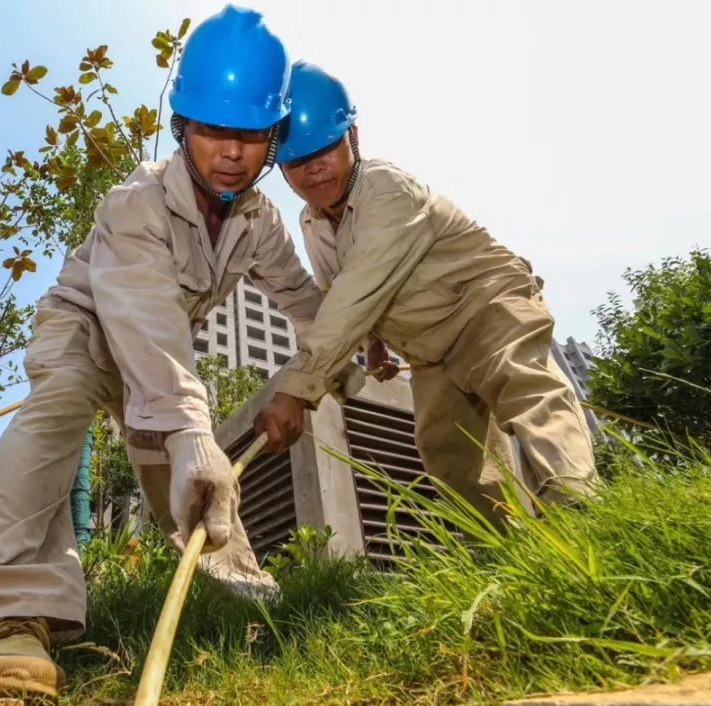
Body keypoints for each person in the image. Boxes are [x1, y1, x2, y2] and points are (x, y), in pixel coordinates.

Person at [0, 8, 338, 699]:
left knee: (190, 484)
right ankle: (2, 616)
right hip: (86, 327)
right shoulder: (134, 202)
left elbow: (301, 298)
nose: (231, 152)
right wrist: (189, 426)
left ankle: (243, 607)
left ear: (274, 136)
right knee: (57, 410)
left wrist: (350, 346)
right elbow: (142, 314)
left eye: (251, 134)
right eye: (212, 129)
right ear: (182, 124)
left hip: (157, 356)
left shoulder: (259, 223)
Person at [254, 61, 598, 524]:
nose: (314, 169)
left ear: (353, 136)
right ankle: (504, 561)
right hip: (431, 351)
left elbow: (353, 297)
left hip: (486, 304)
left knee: (524, 385)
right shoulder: (312, 225)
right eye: (297, 161)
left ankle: (580, 514)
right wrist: (374, 344)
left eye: (326, 149)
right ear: (281, 168)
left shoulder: (387, 189)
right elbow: (341, 293)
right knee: (450, 456)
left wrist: (295, 391)